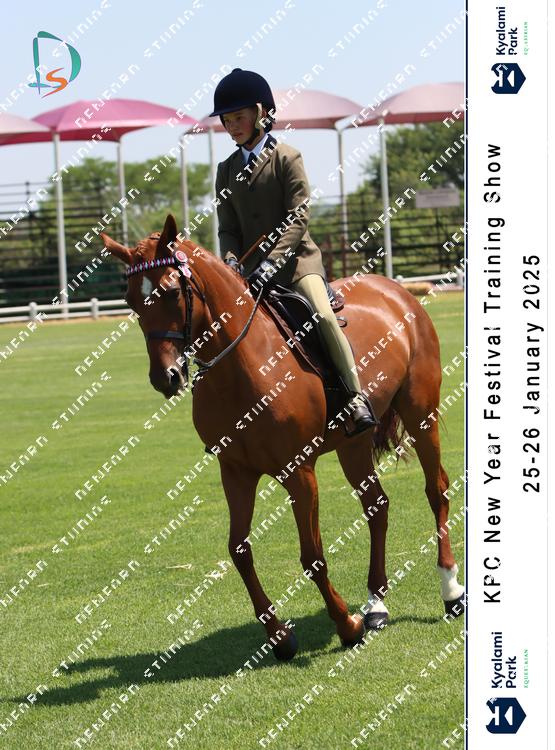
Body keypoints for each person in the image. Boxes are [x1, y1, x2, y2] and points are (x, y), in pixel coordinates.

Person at [211, 68, 378, 435]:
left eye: (238, 117)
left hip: (297, 264)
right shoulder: (225, 170)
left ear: (261, 114)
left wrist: (273, 262)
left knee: (323, 316)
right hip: (249, 272)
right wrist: (231, 260)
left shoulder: (287, 157)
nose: (232, 126)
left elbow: (298, 216)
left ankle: (355, 398)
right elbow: (227, 227)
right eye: (226, 120)